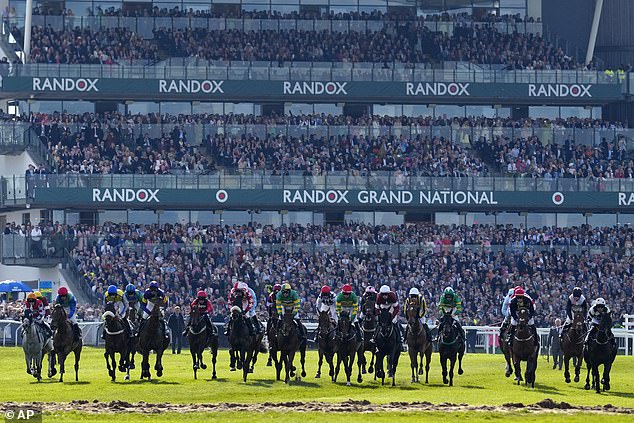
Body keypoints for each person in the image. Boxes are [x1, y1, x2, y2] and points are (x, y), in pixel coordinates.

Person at [375, 284, 404, 350]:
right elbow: (377, 308)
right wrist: (379, 315)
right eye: (383, 294)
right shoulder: (379, 297)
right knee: (379, 323)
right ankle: (374, 338)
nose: (385, 296)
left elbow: (396, 308)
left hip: (391, 307)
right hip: (383, 307)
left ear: (388, 293)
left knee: (394, 322)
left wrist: (392, 316)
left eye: (386, 294)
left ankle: (399, 338)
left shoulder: (393, 296)